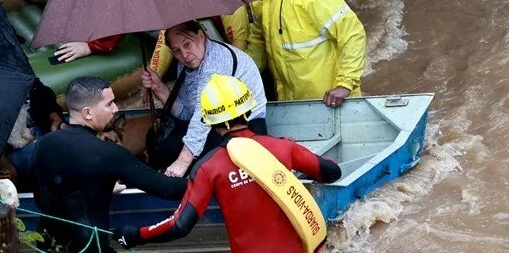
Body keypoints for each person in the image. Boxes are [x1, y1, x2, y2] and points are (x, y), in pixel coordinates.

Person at [112, 74, 342, 252]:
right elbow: (331, 172)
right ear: (249, 109)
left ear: (208, 121)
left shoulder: (208, 168)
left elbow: (179, 225)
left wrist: (134, 234)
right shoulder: (282, 147)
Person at [32, 76, 187, 253]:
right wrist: (206, 174)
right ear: (87, 113)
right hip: (91, 249)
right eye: (109, 104)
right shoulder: (108, 153)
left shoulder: (42, 145)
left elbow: (40, 197)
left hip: (46, 247)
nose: (115, 109)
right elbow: (167, 189)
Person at [141, 21, 267, 178]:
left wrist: (182, 162)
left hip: (245, 126)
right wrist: (159, 88)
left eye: (187, 44)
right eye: (177, 51)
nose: (184, 55)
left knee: (174, 153)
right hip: (218, 125)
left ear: (201, 36)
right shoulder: (188, 65)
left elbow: (202, 117)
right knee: (162, 146)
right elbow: (187, 113)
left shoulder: (214, 63)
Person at [4, 78, 66, 189]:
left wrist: (54, 117)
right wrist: (4, 163)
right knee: (54, 156)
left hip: (39, 127)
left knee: (78, 129)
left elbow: (44, 97)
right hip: (10, 150)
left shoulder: (21, 74)